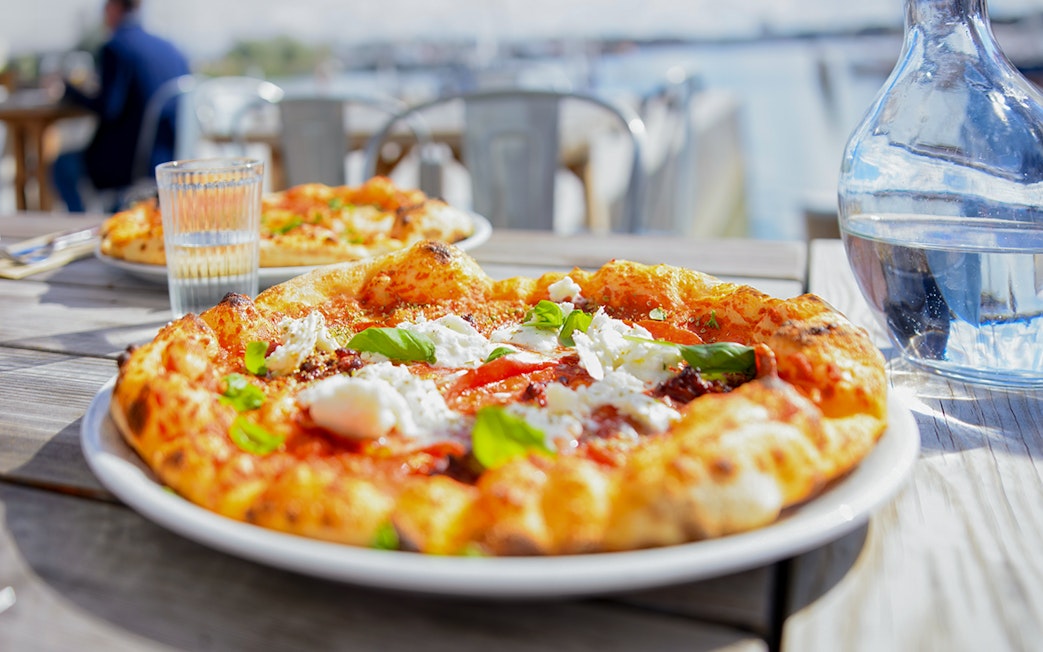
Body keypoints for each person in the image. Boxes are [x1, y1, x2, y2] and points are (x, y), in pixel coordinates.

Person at [52, 0, 190, 212]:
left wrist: (70, 91)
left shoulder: (116, 47)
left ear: (115, 7)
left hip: (128, 162)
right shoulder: (172, 49)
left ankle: (82, 228)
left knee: (62, 165)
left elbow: (108, 108)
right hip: (170, 157)